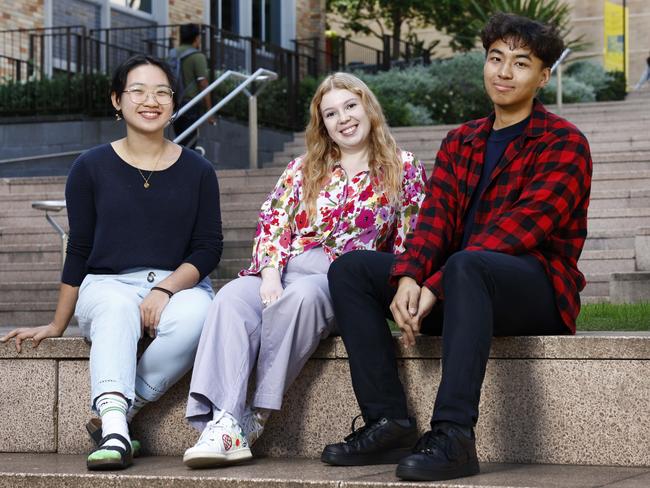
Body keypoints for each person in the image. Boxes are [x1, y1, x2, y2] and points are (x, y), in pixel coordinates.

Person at [321, 13, 593, 482]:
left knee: (469, 263)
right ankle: (389, 422)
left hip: (535, 289)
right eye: (495, 58)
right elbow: (435, 220)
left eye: (520, 63)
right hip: (461, 286)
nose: (504, 72)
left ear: (543, 76)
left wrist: (436, 283)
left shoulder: (564, 143)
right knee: (351, 269)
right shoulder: (461, 140)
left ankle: (453, 437)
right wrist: (409, 274)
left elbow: (520, 231)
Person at [182, 72, 427, 468]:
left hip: (342, 279)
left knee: (303, 296)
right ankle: (224, 420)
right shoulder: (303, 168)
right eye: (331, 113)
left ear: (368, 107)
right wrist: (271, 275)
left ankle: (251, 419)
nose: (343, 118)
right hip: (285, 267)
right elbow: (274, 222)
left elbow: (410, 239)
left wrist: (404, 287)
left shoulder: (403, 168)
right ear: (323, 124)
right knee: (229, 298)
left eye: (350, 106)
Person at [1, 54, 223, 471]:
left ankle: (116, 411)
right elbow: (80, 247)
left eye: (162, 92)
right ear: (117, 101)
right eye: (137, 91)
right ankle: (118, 432)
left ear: (173, 103)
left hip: (180, 285)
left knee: (202, 315)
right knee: (118, 308)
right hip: (107, 286)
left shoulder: (199, 170)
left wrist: (163, 289)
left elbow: (208, 248)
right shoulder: (89, 167)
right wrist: (57, 323)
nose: (151, 100)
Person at [171, 23, 215, 148]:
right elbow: (203, 84)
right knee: (189, 145)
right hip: (189, 105)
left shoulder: (172, 54)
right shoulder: (197, 56)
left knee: (179, 141)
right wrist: (209, 110)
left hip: (174, 104)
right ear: (196, 38)